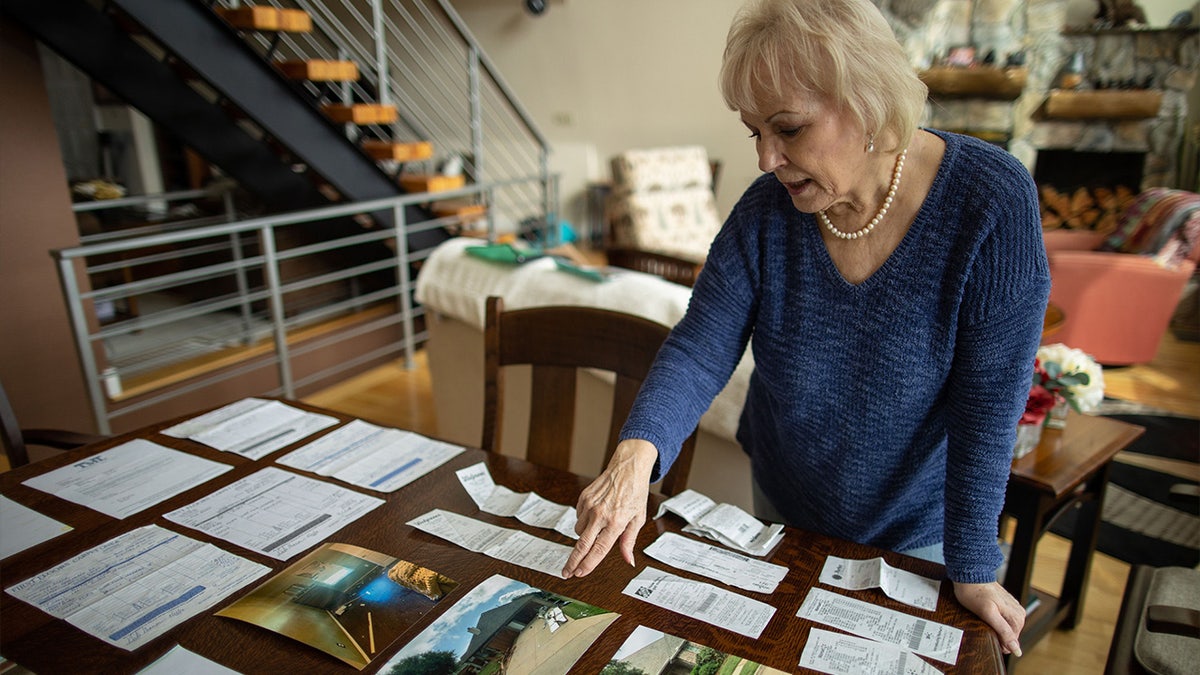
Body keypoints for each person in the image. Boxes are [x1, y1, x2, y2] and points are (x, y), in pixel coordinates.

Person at [561, 0, 1048, 658]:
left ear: (869, 101)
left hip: (920, 529)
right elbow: (700, 347)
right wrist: (633, 459)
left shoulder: (990, 201)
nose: (767, 158)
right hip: (785, 501)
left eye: (787, 128)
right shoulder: (766, 211)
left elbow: (989, 405)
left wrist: (974, 565)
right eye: (753, 132)